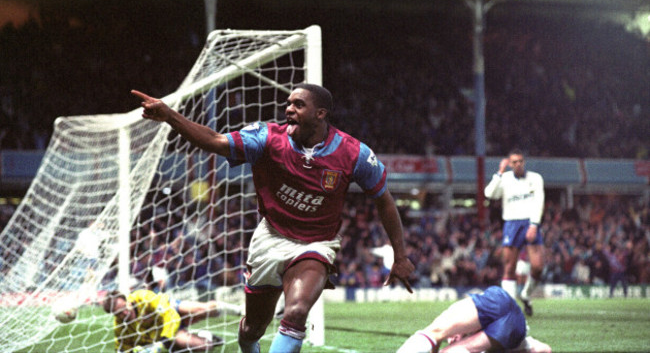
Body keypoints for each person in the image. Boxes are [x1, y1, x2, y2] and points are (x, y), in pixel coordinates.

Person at [131, 84, 415, 353]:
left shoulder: (353, 153)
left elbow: (384, 201)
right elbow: (215, 140)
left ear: (321, 113)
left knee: (296, 312)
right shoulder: (267, 137)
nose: (289, 109)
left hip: (316, 244)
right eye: (288, 103)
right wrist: (169, 116)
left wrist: (400, 256)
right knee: (253, 328)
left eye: (298, 104)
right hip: (271, 237)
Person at [397, 286, 552, 353]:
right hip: (516, 329)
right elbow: (545, 349)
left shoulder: (456, 317)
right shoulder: (481, 346)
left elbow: (436, 334)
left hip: (499, 303)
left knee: (435, 331)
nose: (452, 340)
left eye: (452, 338)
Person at [484, 149, 545, 316]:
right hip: (511, 223)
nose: (518, 164)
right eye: (514, 162)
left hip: (530, 222)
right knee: (509, 266)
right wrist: (499, 172)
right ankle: (512, 309)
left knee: (538, 266)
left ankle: (525, 294)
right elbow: (489, 194)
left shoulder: (535, 178)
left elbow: (539, 201)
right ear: (510, 164)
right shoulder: (504, 179)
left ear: (524, 162)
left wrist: (534, 224)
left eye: (520, 161)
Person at [102, 289, 231, 352]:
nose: (125, 313)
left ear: (127, 301)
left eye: (124, 307)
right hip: (167, 336)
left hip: (171, 312)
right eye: (119, 313)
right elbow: (123, 348)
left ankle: (237, 310)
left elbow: (170, 315)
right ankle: (206, 336)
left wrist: (164, 339)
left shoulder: (142, 297)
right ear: (114, 314)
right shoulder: (120, 327)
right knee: (204, 346)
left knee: (203, 308)